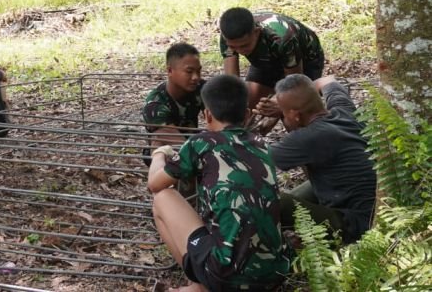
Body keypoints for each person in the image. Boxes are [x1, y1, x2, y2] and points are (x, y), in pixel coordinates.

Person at [148, 75, 290, 292]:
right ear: (247, 115)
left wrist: (159, 153)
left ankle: (199, 285)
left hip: (224, 276)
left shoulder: (201, 142)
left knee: (163, 198)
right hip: (274, 274)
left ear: (207, 115)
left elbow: (154, 184)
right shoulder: (262, 145)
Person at [268, 74, 376, 244]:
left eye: (284, 114)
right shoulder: (344, 110)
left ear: (296, 116)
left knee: (270, 200)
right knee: (300, 192)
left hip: (355, 223)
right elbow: (328, 80)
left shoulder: (308, 137)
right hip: (375, 206)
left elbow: (252, 158)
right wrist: (283, 102)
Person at [219, 8, 324, 109]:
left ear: (257, 32)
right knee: (247, 101)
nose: (239, 51)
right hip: (266, 58)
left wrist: (279, 106)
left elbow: (293, 83)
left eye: (244, 46)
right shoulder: (227, 37)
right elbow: (232, 83)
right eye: (233, 47)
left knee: (294, 108)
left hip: (304, 59)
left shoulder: (283, 38)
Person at [142, 42, 204, 150]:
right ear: (170, 71)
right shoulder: (155, 104)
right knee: (159, 138)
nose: (195, 77)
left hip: (193, 142)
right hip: (171, 150)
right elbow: (176, 142)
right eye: (189, 71)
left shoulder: (202, 88)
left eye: (198, 71)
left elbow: (223, 122)